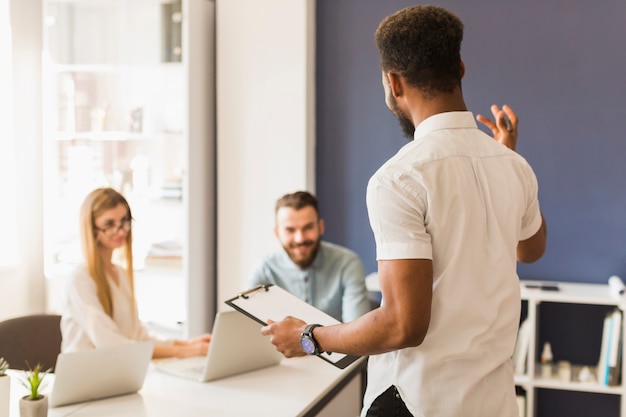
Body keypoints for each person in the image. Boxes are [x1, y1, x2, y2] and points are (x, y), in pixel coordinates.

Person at [260, 5, 547, 417]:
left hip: (418, 403)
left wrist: (309, 337)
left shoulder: (398, 179)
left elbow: (402, 325)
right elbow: (530, 249)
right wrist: (504, 160)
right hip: (493, 403)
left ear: (394, 82)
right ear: (460, 69)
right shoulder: (513, 166)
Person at [61, 187, 211, 359]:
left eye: (124, 221)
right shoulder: (80, 278)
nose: (121, 231)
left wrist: (186, 344)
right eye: (109, 224)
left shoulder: (120, 274)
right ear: (92, 228)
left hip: (117, 372)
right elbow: (110, 343)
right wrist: (183, 352)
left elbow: (138, 336)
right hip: (86, 376)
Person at [248, 191, 371, 322]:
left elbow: (357, 330)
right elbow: (247, 325)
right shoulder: (264, 270)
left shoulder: (347, 264)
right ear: (277, 233)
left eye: (308, 228)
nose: (300, 239)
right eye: (290, 230)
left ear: (320, 227)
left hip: (337, 344)